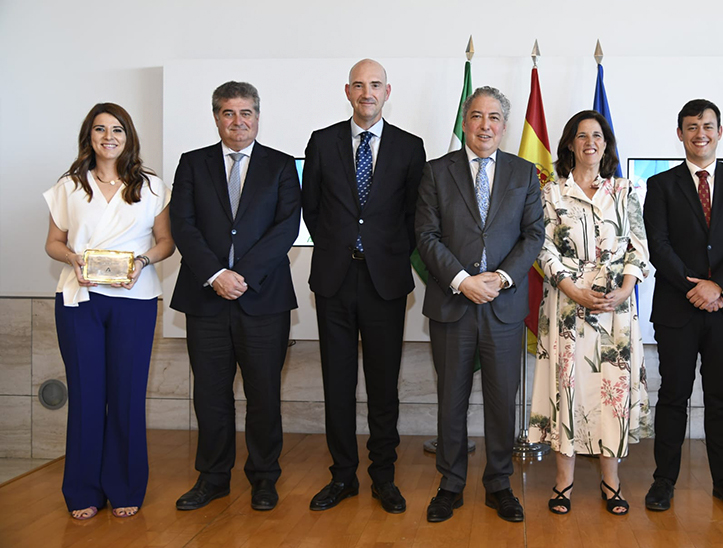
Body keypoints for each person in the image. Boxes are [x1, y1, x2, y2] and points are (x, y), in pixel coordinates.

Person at [170, 81, 301, 512]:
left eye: (246, 113)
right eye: (228, 113)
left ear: (258, 117)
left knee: (264, 394)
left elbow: (285, 228)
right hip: (205, 298)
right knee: (210, 394)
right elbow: (183, 225)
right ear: (216, 117)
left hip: (262, 298)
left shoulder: (282, 166)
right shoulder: (192, 164)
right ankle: (212, 478)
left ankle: (264, 478)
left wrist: (240, 274)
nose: (238, 121)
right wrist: (215, 274)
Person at [415, 86, 544, 523]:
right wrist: (462, 280)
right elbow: (426, 236)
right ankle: (450, 485)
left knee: (501, 400)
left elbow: (533, 236)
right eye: (476, 116)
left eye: (493, 117)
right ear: (465, 122)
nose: (484, 125)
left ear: (504, 126)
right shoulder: (436, 172)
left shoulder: (525, 174)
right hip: (453, 304)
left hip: (504, 306)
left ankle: (499, 484)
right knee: (450, 399)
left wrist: (502, 278)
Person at [303, 59, 426, 514]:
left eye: (375, 85)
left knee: (382, 384)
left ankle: (383, 476)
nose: (366, 93)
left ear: (387, 91)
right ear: (347, 91)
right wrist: (342, 246)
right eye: (359, 85)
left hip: (385, 281)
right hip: (334, 279)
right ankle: (341, 476)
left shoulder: (410, 147)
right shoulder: (322, 142)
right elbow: (312, 210)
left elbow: (416, 216)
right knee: (337, 383)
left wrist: (384, 251)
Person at [44, 103, 175, 520]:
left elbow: (165, 242)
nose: (108, 136)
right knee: (86, 396)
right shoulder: (69, 185)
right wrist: (72, 259)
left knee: (127, 395)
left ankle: (124, 487)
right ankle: (82, 490)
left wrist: (140, 263)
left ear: (128, 136)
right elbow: (53, 242)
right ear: (89, 136)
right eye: (100, 129)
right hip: (79, 301)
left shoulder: (152, 185)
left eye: (117, 129)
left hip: (134, 301)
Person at [642, 99, 723, 514]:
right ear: (680, 134)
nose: (700, 134)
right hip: (677, 307)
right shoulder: (660, 185)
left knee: (721, 397)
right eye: (691, 127)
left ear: (719, 131)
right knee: (673, 395)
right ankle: (663, 481)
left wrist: (717, 286)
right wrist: (694, 287)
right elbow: (657, 245)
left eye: (707, 126)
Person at [527, 111, 650, 515]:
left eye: (597, 136)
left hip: (615, 312)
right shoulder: (551, 194)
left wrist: (625, 290)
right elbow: (542, 248)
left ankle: (611, 481)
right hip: (567, 307)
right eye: (581, 136)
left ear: (606, 144)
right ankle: (563, 480)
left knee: (609, 393)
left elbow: (638, 247)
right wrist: (571, 288)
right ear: (569, 144)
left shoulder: (624, 190)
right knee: (568, 389)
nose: (590, 142)